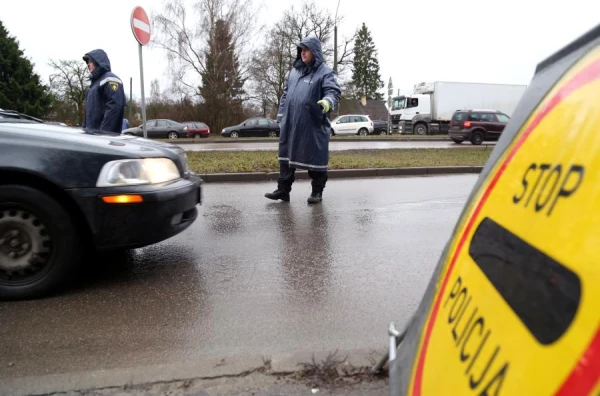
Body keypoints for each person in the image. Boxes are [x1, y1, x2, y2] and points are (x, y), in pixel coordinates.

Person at [265, 36, 341, 204]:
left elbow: (333, 92)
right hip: (291, 123)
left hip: (313, 125)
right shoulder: (294, 72)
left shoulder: (325, 72)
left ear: (315, 52)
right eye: (301, 50)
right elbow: (285, 95)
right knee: (286, 158)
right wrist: (281, 115)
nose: (302, 53)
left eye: (306, 50)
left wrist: (327, 102)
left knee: (315, 159)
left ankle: (317, 192)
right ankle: (283, 190)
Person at [82, 49, 126, 133]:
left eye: (90, 61)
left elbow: (114, 107)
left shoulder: (110, 79)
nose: (88, 64)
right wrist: (84, 130)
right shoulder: (93, 86)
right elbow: (88, 114)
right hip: (92, 137)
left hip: (104, 139)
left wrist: (103, 134)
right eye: (87, 62)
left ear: (98, 61)